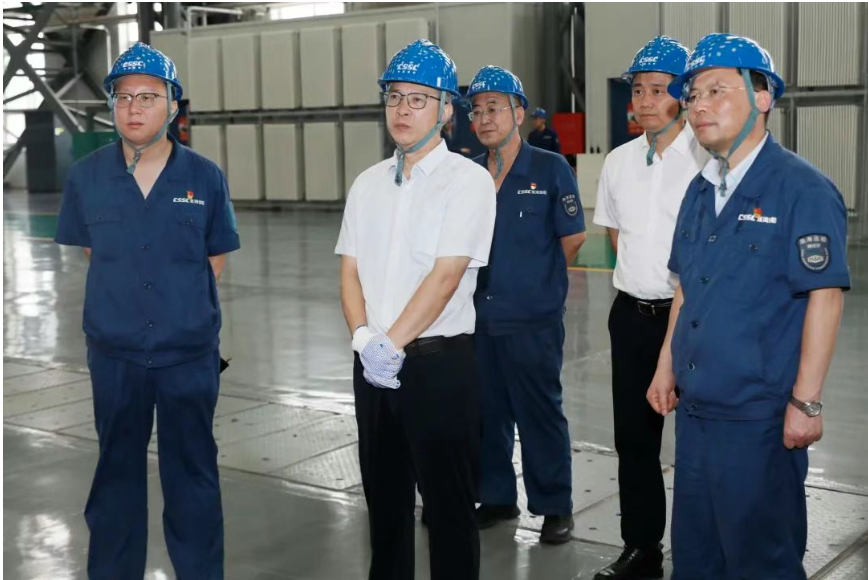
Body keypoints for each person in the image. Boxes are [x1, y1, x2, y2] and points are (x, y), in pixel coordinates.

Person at [647, 33, 850, 579]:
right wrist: (667, 365)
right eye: (693, 95)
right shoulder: (699, 190)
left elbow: (825, 296)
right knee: (696, 557)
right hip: (696, 412)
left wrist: (806, 403)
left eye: (717, 90)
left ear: (763, 97)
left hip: (759, 418)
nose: (699, 105)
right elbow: (686, 286)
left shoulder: (802, 189)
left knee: (761, 559)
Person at [54, 42, 240, 579]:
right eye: (123, 97)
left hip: (188, 356)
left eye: (148, 97)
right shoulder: (87, 176)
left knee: (193, 477)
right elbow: (94, 252)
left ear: (173, 105)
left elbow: (215, 257)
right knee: (115, 478)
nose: (133, 107)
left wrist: (177, 308)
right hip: (116, 356)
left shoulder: (204, 176)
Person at [335, 39, 496, 580]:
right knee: (384, 507)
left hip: (438, 367)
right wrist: (364, 339)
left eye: (419, 99)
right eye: (394, 97)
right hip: (372, 366)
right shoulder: (367, 184)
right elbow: (350, 271)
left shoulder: (468, 182)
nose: (402, 109)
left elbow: (446, 276)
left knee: (449, 511)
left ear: (447, 110)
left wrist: (390, 342)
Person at [592, 36, 707, 580]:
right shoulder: (618, 162)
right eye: (637, 90)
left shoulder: (707, 160)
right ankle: (642, 548)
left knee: (701, 440)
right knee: (635, 439)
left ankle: (704, 552)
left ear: (683, 96)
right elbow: (617, 235)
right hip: (632, 316)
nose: (644, 101)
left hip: (694, 319)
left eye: (658, 90)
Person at [466, 65, 586, 545]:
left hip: (532, 320)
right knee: (486, 412)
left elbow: (572, 238)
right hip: (477, 319)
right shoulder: (468, 174)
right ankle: (496, 496)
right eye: (477, 110)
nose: (484, 118)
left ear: (519, 113)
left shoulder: (550, 168)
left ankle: (554, 505)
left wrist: (534, 282)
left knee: (539, 412)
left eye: (494, 108)